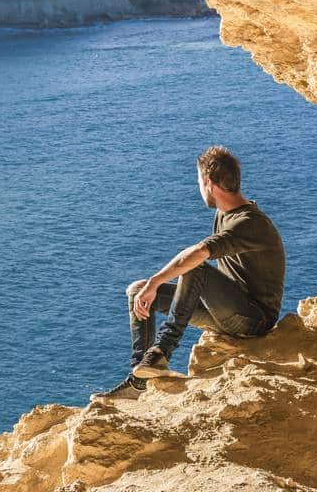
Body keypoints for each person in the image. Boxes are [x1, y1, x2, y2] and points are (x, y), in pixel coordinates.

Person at [96, 145, 286, 401]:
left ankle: (161, 352)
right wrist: (149, 287)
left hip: (254, 319)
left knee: (193, 267)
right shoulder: (225, 213)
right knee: (137, 292)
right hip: (226, 312)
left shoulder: (249, 223)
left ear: (209, 183)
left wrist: (156, 281)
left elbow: (197, 253)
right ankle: (139, 379)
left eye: (198, 181)